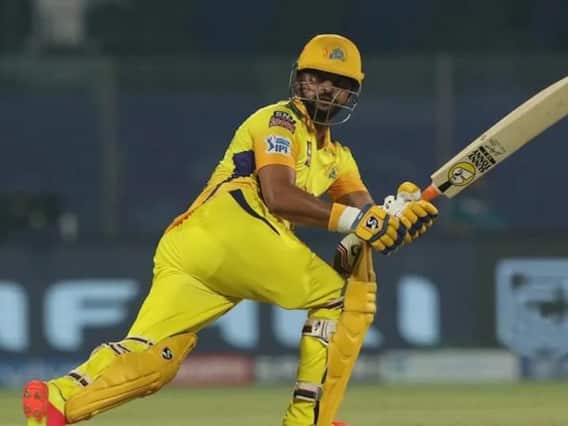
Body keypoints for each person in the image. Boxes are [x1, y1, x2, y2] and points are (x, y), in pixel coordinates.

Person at [22, 34, 438, 426]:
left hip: (191, 249)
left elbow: (366, 216)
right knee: (339, 298)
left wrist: (398, 218)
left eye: (339, 83)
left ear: (351, 94)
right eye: (317, 78)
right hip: (233, 223)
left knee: (154, 357)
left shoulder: (339, 158)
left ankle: (56, 400)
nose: (326, 89)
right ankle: (306, 418)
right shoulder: (279, 120)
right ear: (299, 79)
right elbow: (278, 195)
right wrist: (363, 222)